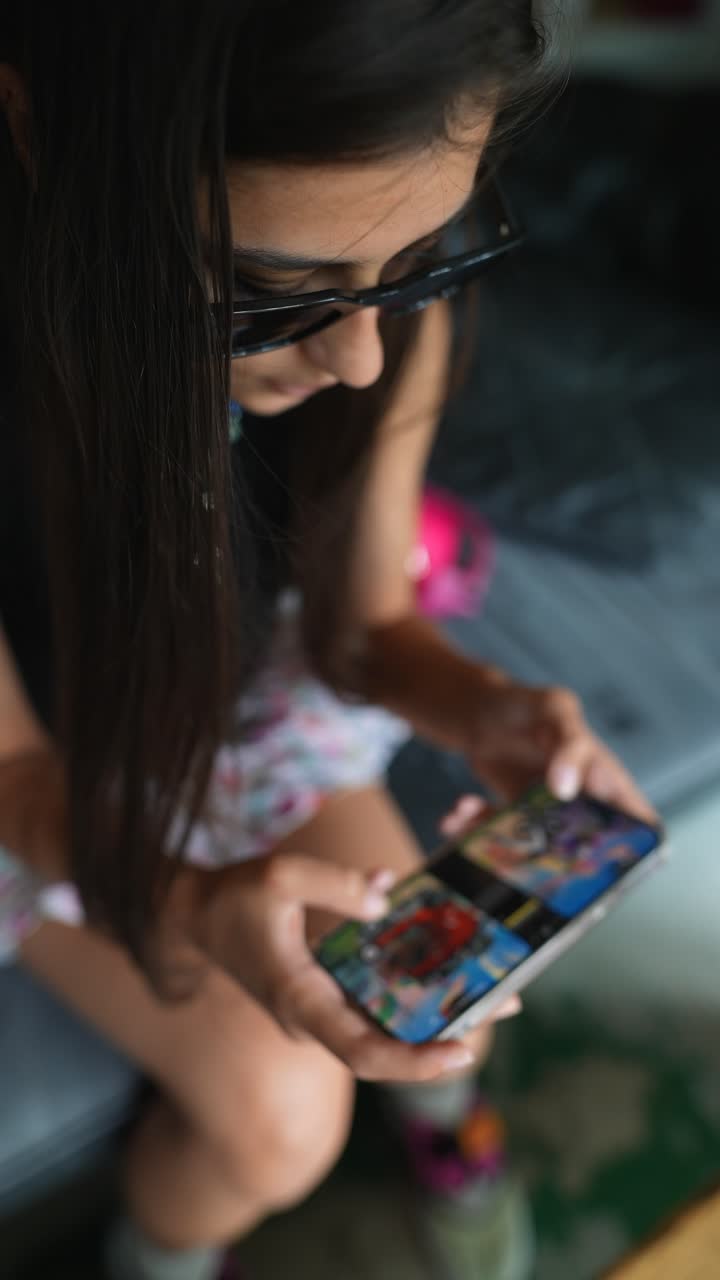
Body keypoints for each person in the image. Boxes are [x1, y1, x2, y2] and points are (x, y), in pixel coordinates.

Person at [0, 3, 656, 1277]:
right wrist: (192, 903)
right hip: (39, 789)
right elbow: (13, 779)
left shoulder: (379, 284)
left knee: (444, 975)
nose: (362, 356)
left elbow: (360, 629)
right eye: (273, 293)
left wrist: (478, 703)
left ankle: (451, 1129)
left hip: (230, 710)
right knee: (279, 1120)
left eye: (422, 259)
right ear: (35, 128)